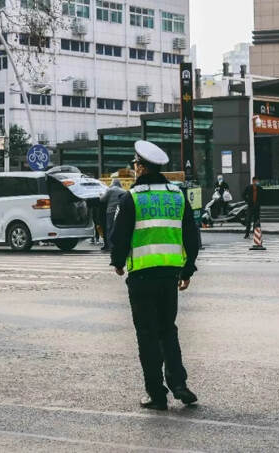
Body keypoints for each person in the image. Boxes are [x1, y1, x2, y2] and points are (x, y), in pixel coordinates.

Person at [110, 140, 200, 410]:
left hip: (142, 277)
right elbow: (191, 235)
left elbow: (119, 236)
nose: (134, 168)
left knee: (147, 335)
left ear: (141, 167)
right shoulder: (176, 195)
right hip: (170, 275)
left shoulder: (133, 198)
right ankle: (179, 383)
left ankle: (156, 394)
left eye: (135, 164)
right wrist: (188, 269)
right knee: (168, 330)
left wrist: (117, 262)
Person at [100, 178, 126, 251]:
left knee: (110, 228)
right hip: (120, 211)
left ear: (113, 183)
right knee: (119, 227)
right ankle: (119, 244)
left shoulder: (110, 190)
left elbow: (102, 199)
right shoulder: (124, 191)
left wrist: (101, 195)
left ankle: (110, 245)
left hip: (110, 211)